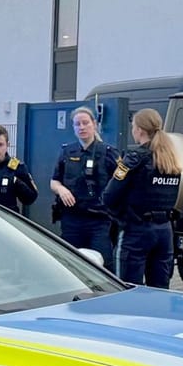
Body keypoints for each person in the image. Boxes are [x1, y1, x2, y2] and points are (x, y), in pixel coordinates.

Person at [103, 109, 183, 288]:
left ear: (139, 130)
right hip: (165, 231)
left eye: (133, 126)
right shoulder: (171, 160)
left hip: (136, 230)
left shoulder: (134, 157)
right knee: (160, 291)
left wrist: (121, 216)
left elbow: (109, 195)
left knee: (126, 289)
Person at [51, 107, 121, 262]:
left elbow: (121, 183)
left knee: (102, 264)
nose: (81, 127)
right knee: (70, 263)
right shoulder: (67, 152)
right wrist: (61, 190)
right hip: (71, 220)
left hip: (99, 221)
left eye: (85, 123)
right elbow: (54, 181)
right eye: (77, 124)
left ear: (94, 124)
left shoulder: (108, 152)